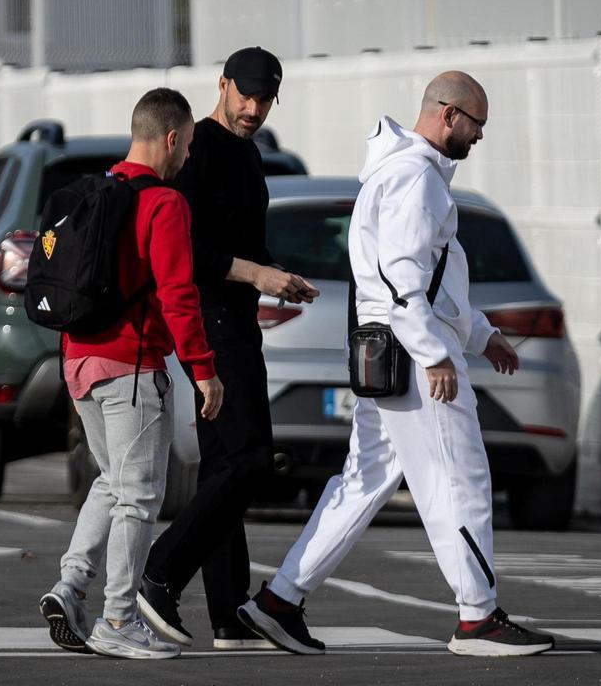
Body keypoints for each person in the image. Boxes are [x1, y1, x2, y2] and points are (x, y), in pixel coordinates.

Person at [237, 72, 555, 657]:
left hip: (386, 354)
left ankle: (279, 601)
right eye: (476, 123)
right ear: (448, 114)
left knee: (363, 480)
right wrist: (435, 353)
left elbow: (432, 282)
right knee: (460, 478)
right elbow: (403, 278)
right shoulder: (417, 177)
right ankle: (478, 618)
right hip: (413, 358)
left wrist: (482, 335)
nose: (480, 136)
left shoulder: (400, 171)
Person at [137, 47, 320, 651]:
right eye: (246, 95)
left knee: (224, 466)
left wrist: (279, 276)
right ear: (222, 85)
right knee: (250, 459)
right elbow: (186, 253)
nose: (254, 108)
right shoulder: (200, 151)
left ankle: (228, 611)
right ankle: (161, 572)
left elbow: (243, 242)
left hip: (238, 320)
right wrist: (256, 274)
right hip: (209, 323)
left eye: (265, 99)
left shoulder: (249, 154)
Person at [38, 87, 224, 660]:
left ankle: (71, 587)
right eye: (187, 146)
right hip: (133, 367)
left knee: (113, 482)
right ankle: (118, 619)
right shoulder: (164, 204)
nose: (186, 157)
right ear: (171, 139)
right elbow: (178, 295)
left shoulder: (97, 193)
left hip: (79, 361)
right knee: (140, 496)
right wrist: (204, 370)